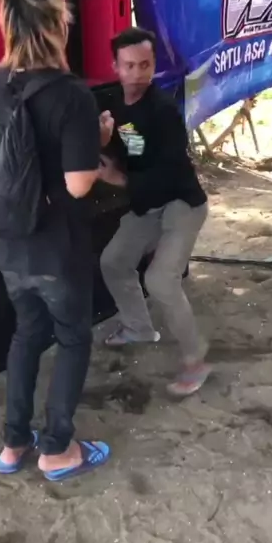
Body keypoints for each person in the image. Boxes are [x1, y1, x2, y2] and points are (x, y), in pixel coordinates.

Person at [0, 0, 110, 481]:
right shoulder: (71, 94)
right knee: (73, 338)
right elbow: (79, 184)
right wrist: (98, 140)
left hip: (8, 244)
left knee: (27, 334)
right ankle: (57, 448)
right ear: (58, 24)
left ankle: (13, 443)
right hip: (57, 249)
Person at [98, 27, 210, 397]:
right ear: (115, 66)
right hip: (148, 203)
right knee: (114, 262)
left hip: (181, 203)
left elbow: (168, 173)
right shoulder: (114, 103)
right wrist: (103, 142)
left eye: (144, 65)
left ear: (153, 65)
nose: (137, 73)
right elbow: (130, 149)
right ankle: (139, 328)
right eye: (129, 65)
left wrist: (118, 178)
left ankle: (195, 360)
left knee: (161, 280)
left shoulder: (163, 111)